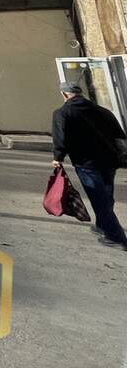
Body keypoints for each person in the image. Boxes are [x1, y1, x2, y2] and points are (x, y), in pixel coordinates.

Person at [52, 82, 127, 249]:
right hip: (109, 161)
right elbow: (120, 135)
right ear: (81, 93)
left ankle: (116, 237)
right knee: (106, 197)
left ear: (64, 95)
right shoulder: (103, 111)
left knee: (99, 199)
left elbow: (60, 138)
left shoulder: (62, 113)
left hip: (86, 162)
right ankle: (102, 226)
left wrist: (58, 157)